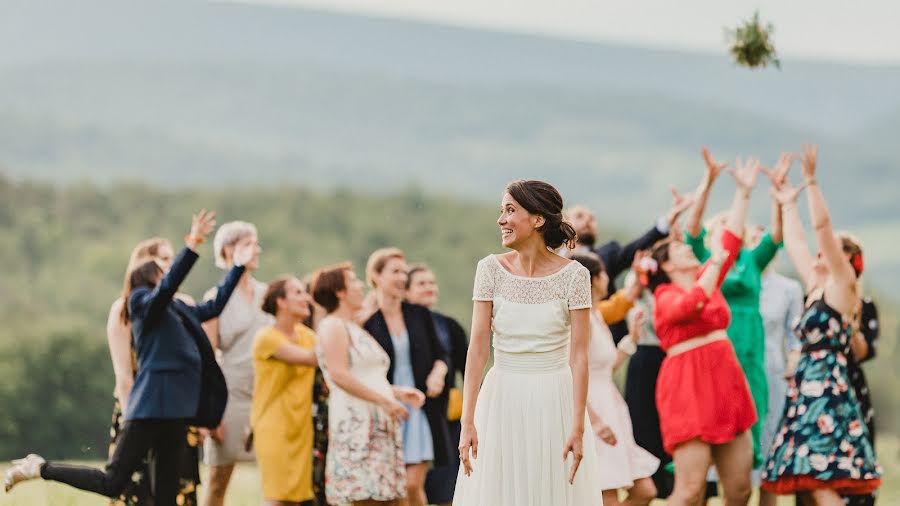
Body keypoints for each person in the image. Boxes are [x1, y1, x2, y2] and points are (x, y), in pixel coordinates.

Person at [5, 210, 249, 505]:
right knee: (113, 481)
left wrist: (238, 265)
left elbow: (214, 306)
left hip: (177, 411)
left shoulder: (178, 310)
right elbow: (166, 289)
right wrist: (193, 243)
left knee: (167, 497)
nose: (169, 276)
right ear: (150, 278)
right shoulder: (141, 304)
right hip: (149, 408)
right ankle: (39, 468)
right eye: (163, 271)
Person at [454, 180, 601, 505]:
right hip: (501, 398)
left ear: (537, 219)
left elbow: (579, 357)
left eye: (510, 210)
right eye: (501, 211)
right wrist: (468, 421)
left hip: (555, 400)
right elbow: (478, 350)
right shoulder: (489, 269)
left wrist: (577, 425)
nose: (501, 220)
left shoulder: (575, 276)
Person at [762, 145, 881, 503]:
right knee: (811, 479)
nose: (819, 251)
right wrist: (785, 201)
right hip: (806, 387)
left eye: (829, 250)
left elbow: (821, 228)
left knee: (823, 477)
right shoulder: (815, 287)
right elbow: (797, 240)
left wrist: (811, 183)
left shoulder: (842, 289)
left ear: (844, 259)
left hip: (827, 388)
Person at [645, 158, 761, 505]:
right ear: (667, 265)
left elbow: (731, 241)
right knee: (691, 490)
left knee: (740, 489)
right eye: (680, 248)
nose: (688, 250)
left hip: (726, 378)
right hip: (688, 384)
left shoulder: (704, 278)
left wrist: (743, 193)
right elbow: (689, 307)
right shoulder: (664, 295)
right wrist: (713, 265)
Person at [684, 148, 785, 472]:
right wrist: (708, 183)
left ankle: (743, 463)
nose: (734, 229)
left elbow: (777, 236)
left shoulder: (753, 261)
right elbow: (693, 228)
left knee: (752, 403)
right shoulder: (705, 258)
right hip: (717, 339)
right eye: (726, 224)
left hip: (750, 344)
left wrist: (779, 198)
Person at [312, 263, 424, 505]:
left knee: (391, 498)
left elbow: (365, 377)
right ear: (339, 292)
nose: (360, 285)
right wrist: (385, 400)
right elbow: (339, 375)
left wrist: (397, 392)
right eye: (353, 281)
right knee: (365, 497)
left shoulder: (355, 328)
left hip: (379, 424)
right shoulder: (332, 326)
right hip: (357, 428)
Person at [105, 237, 202, 505]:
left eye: (173, 258)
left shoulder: (182, 303)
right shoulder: (125, 307)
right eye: (165, 258)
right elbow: (124, 374)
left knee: (174, 490)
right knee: (133, 488)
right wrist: (130, 420)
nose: (171, 264)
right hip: (140, 407)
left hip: (175, 407)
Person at [364, 249, 451, 506]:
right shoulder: (368, 323)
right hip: (386, 409)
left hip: (419, 409)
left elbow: (442, 355)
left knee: (412, 484)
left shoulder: (418, 314)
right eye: (395, 271)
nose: (402, 277)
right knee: (396, 488)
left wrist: (439, 372)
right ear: (376, 276)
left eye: (404, 271)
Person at [572, 252, 659, 506]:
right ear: (596, 279)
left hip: (611, 405)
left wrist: (631, 338)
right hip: (592, 410)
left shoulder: (596, 314)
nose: (608, 277)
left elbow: (604, 368)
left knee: (646, 491)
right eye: (604, 272)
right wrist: (595, 422)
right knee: (606, 495)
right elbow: (572, 373)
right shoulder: (581, 320)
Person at [201, 221, 272, 506]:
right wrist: (209, 413)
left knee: (274, 479)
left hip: (266, 394)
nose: (257, 250)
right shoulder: (214, 299)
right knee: (219, 480)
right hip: (229, 395)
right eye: (248, 244)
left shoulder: (268, 294)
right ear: (229, 250)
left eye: (256, 243)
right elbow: (207, 356)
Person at [565, 191, 693, 340]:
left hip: (604, 332)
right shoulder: (551, 259)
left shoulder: (607, 254)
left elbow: (635, 248)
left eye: (592, 218)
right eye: (580, 216)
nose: (587, 220)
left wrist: (668, 221)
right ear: (565, 222)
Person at [746, 225, 805, 506]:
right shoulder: (736, 284)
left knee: (769, 453)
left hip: (772, 372)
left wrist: (794, 363)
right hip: (739, 371)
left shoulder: (789, 288)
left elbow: (796, 338)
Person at [252, 276, 319, 505]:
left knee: (296, 498)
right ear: (281, 302)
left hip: (301, 426)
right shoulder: (266, 338)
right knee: (277, 496)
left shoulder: (308, 336)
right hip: (273, 425)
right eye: (298, 293)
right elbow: (314, 358)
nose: (306, 298)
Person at [406, 265, 469, 506]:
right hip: (410, 413)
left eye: (432, 283)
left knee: (447, 489)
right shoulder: (398, 325)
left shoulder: (449, 326)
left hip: (446, 419)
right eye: (421, 284)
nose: (429, 288)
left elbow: (468, 369)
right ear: (407, 291)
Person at [843, 294, 879, 506]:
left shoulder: (863, 304)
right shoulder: (809, 298)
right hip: (811, 392)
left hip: (852, 391)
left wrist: (853, 322)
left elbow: (862, 353)